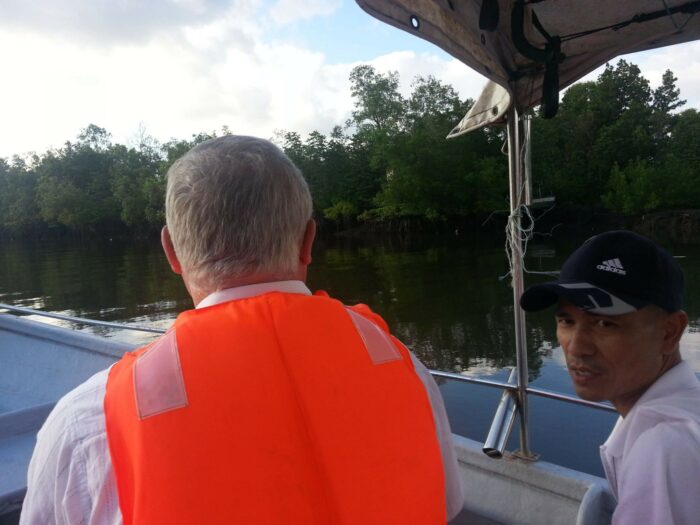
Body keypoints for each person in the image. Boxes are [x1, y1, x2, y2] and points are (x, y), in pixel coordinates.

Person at [20, 135, 463, 525]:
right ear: (309, 241)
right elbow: (445, 507)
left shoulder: (85, 422)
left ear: (171, 252)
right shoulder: (402, 365)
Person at [520, 230, 700, 524]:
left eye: (605, 323)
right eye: (567, 321)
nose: (576, 347)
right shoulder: (683, 412)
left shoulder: (665, 447)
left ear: (669, 333)